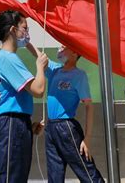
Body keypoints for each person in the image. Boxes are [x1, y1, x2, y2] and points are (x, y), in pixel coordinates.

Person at [0, 10, 48, 183]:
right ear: (13, 29)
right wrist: (40, 66)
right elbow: (38, 89)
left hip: (16, 125)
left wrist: (27, 126)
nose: (26, 33)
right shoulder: (7, 59)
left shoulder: (7, 59)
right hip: (9, 126)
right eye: (24, 28)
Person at [28, 45, 104, 183]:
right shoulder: (55, 70)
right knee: (54, 176)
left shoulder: (79, 75)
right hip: (51, 128)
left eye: (65, 45)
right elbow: (39, 56)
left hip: (66, 128)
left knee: (87, 172)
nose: (61, 47)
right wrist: (26, 41)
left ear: (75, 51)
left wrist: (87, 138)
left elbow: (89, 106)